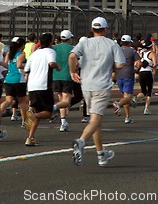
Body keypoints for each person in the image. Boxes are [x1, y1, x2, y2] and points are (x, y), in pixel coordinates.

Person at [69, 17, 125, 167]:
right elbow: (120, 64)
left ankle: (101, 154)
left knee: (96, 121)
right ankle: (81, 142)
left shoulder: (84, 42)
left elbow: (72, 56)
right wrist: (111, 67)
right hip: (102, 85)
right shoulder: (112, 44)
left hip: (86, 85)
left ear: (92, 29)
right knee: (95, 119)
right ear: (106, 29)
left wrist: (72, 71)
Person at [24, 32, 69, 146]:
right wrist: (58, 67)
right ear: (50, 42)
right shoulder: (50, 51)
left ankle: (30, 138)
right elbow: (52, 63)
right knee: (48, 113)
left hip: (32, 86)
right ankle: (33, 115)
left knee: (40, 112)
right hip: (44, 85)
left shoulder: (34, 54)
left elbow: (26, 69)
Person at [0, 37, 29, 127]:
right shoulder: (21, 54)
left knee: (8, 100)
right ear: (22, 45)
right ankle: (24, 121)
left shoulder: (9, 54)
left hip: (8, 79)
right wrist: (27, 68)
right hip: (19, 79)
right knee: (22, 102)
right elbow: (19, 65)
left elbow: (5, 64)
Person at [113, 34, 141, 123]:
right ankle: (118, 104)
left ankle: (127, 117)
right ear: (129, 42)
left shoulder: (117, 50)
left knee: (125, 97)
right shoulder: (132, 51)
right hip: (128, 74)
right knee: (128, 97)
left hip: (119, 75)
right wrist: (136, 70)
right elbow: (139, 63)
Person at [53, 29, 74, 132]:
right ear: (69, 39)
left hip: (56, 75)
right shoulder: (72, 48)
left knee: (61, 98)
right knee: (67, 100)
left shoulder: (54, 48)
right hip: (67, 75)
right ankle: (61, 117)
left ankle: (63, 121)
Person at [137, 39, 157, 115]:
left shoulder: (141, 54)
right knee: (149, 92)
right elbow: (154, 64)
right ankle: (146, 108)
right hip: (148, 72)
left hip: (141, 72)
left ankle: (136, 98)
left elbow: (138, 63)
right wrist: (153, 70)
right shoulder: (152, 54)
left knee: (143, 91)